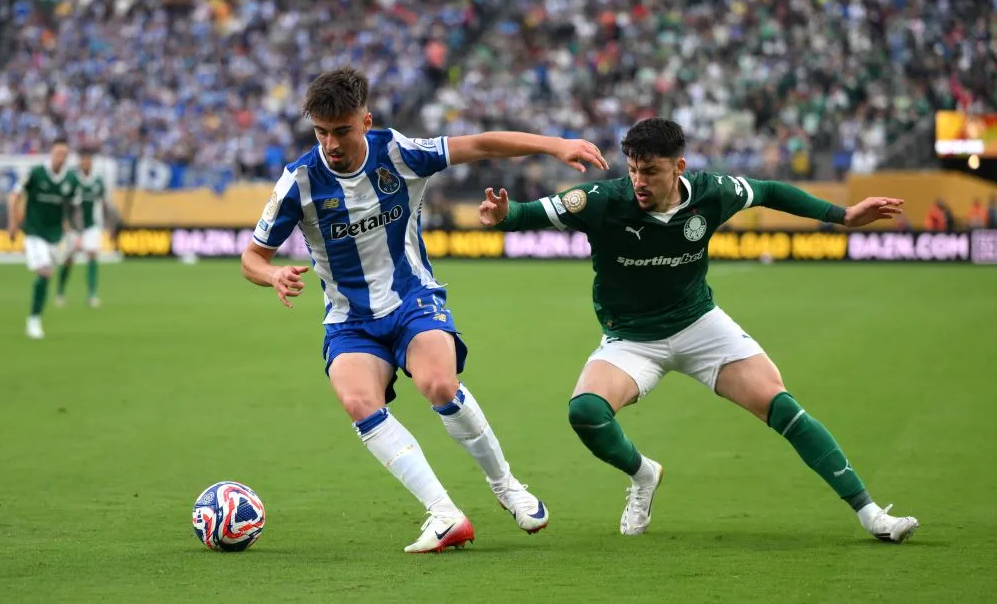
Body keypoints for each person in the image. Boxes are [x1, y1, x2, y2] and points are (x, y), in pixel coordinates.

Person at [478, 118, 919, 543]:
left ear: (679, 167)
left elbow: (767, 190)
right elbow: (525, 214)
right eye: (633, 170)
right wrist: (502, 213)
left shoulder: (712, 193)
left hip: (699, 325)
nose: (639, 181)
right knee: (585, 413)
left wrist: (841, 215)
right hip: (630, 339)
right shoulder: (602, 200)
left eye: (650, 171)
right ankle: (643, 474)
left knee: (781, 405)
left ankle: (871, 514)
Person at [240, 67, 608, 553]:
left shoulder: (398, 152)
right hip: (349, 319)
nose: (330, 143)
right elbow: (251, 257)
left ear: (365, 121)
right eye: (321, 132)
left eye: (342, 130)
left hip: (412, 299)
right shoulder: (299, 182)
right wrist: (273, 276)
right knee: (357, 402)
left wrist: (555, 145)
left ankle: (506, 486)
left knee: (439, 384)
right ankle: (444, 513)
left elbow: (480, 144)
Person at [7, 141, 79, 339]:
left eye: (65, 154)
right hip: (34, 232)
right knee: (45, 271)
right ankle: (34, 320)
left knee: (50, 272)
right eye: (58, 153)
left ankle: (38, 314)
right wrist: (13, 222)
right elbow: (14, 195)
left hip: (55, 236)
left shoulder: (70, 180)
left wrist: (74, 231)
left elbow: (73, 208)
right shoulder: (36, 173)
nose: (61, 157)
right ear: (51, 153)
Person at [57, 148, 116, 308]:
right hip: (74, 228)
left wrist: (110, 226)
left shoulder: (97, 181)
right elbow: (63, 201)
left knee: (92, 255)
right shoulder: (72, 179)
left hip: (91, 226)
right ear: (79, 162)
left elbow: (104, 204)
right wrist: (64, 222)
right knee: (69, 259)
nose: (85, 162)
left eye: (88, 160)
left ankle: (92, 294)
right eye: (83, 160)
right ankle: (60, 291)